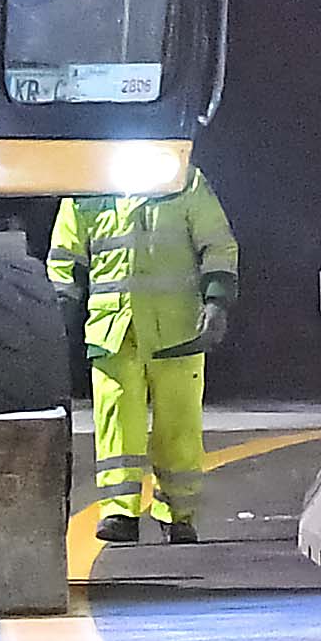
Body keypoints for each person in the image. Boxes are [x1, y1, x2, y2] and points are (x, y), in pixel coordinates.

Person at [49, 164, 240, 545]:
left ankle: (179, 514)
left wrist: (217, 301)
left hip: (177, 331)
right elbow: (64, 257)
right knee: (116, 422)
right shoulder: (87, 183)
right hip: (114, 331)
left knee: (180, 425)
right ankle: (120, 512)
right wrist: (58, 313)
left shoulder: (182, 179)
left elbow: (217, 244)